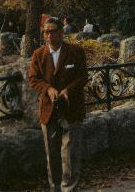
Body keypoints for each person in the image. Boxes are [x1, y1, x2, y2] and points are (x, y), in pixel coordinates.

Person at [28, 16, 88, 192]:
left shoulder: (76, 52)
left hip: (72, 108)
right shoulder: (38, 54)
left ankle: (68, 188)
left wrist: (68, 90)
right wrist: (48, 89)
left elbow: (83, 76)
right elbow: (33, 79)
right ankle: (54, 188)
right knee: (52, 154)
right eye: (45, 32)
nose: (49, 36)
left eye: (53, 32)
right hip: (49, 109)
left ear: (61, 33)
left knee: (69, 153)